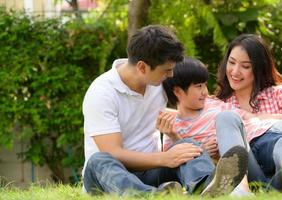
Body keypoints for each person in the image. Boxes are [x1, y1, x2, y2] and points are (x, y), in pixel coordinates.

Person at [82, 25, 247, 197]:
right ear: (142, 67)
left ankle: (206, 186)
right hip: (108, 177)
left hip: (149, 171)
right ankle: (152, 196)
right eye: (166, 70)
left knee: (187, 145)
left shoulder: (156, 82)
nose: (170, 75)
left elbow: (188, 101)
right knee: (99, 160)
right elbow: (114, 152)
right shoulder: (102, 93)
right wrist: (165, 158)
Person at [160, 57, 282, 196]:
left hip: (265, 162)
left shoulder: (214, 103)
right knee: (226, 118)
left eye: (204, 85)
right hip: (247, 170)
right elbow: (175, 165)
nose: (204, 91)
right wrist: (201, 152)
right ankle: (240, 188)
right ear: (178, 92)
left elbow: (256, 117)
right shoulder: (174, 129)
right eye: (198, 86)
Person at [215, 33, 282, 190]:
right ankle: (240, 189)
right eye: (231, 63)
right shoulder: (220, 103)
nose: (235, 71)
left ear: (259, 68)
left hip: (279, 169)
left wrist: (258, 118)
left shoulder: (277, 93)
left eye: (245, 66)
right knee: (226, 119)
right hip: (247, 173)